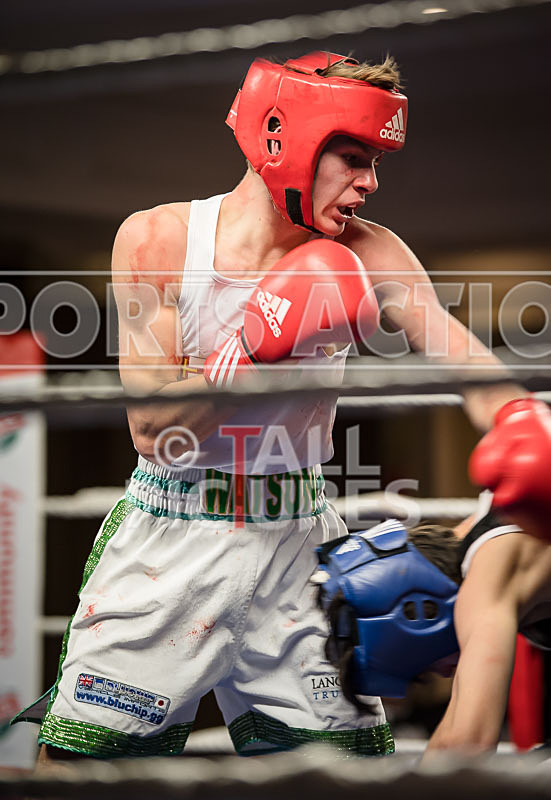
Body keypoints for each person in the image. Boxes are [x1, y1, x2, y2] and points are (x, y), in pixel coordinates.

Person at [13, 50, 546, 760]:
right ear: (284, 139)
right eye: (353, 158)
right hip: (174, 538)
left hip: (298, 543)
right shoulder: (161, 240)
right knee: (80, 774)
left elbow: (462, 359)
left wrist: (520, 418)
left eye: (373, 163)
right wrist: (252, 345)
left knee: (341, 777)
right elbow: (151, 429)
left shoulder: (370, 252)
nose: (370, 182)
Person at [317, 497, 551, 754]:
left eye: (424, 666)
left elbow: (468, 748)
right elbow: (452, 730)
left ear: (422, 627)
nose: (444, 674)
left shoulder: (488, 573)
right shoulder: (483, 538)